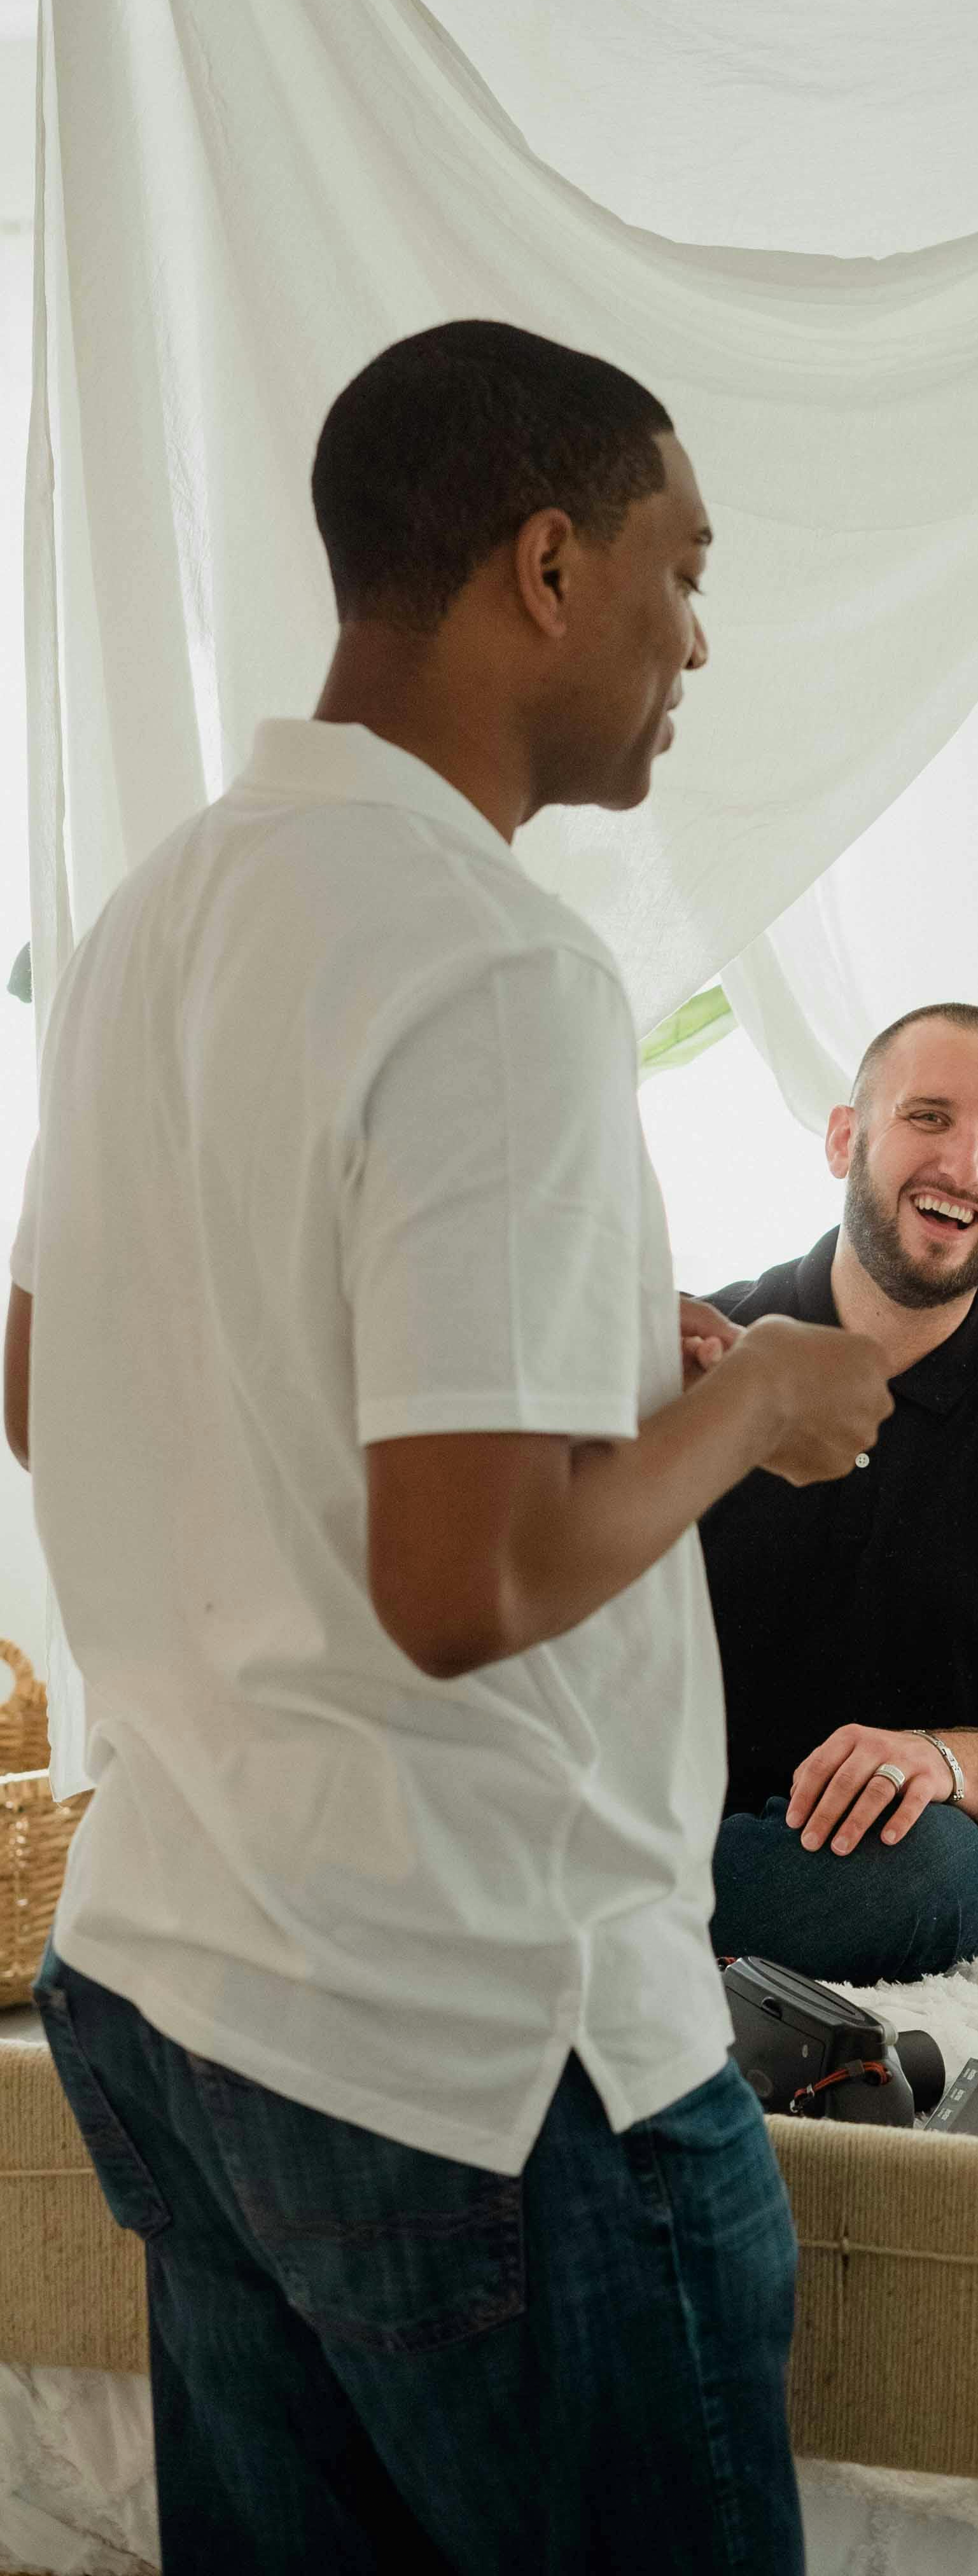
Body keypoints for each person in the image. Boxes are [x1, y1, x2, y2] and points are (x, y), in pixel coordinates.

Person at [2, 319, 891, 2574]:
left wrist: (591, 1376)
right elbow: (461, 1583)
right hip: (475, 2049)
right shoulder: (491, 966)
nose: (700, 639)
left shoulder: (148, 919)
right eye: (685, 571)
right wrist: (757, 1397)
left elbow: (51, 1375)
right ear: (548, 566)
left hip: (185, 1977)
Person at [699, 1001, 978, 1988]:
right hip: (667, 1825)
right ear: (843, 1138)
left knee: (924, 1870)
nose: (966, 1165)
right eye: (929, 1118)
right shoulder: (704, 1353)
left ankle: (602, 1941)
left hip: (910, 1854)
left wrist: (945, 1762)